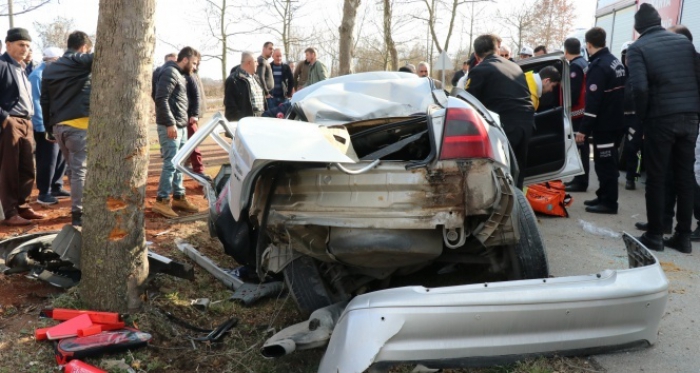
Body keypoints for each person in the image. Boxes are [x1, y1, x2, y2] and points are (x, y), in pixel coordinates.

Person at [628, 4, 700, 253]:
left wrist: (644, 117)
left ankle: (655, 235)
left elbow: (639, 88)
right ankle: (683, 236)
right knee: (684, 176)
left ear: (638, 28)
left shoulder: (638, 48)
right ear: (659, 21)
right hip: (690, 119)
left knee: (656, 177)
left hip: (660, 118)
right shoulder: (684, 43)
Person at [466, 34, 534, 188]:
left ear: (476, 55)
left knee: (502, 173)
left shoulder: (480, 70)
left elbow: (468, 103)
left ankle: (505, 208)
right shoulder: (515, 66)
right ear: (496, 50)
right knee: (519, 173)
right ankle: (518, 206)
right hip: (527, 123)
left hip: (505, 125)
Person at [41, 31, 95, 226]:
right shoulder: (80, 60)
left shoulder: (50, 69)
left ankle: (79, 208)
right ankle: (79, 214)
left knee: (73, 170)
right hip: (79, 126)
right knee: (80, 170)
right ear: (83, 47)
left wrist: (48, 127)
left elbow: (44, 99)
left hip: (58, 127)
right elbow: (99, 57)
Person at [575, 27, 626, 215]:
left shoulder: (598, 66)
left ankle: (609, 203)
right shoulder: (614, 62)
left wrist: (583, 130)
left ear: (588, 45)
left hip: (605, 124)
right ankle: (603, 196)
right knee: (606, 161)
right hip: (615, 121)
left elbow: (593, 102)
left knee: (605, 164)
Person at [0, 28, 45, 226]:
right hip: (10, 123)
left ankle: (23, 207)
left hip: (27, 122)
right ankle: (9, 213)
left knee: (27, 167)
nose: (25, 49)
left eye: (27, 45)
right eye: (21, 44)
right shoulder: (1, 65)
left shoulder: (22, 68)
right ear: (8, 44)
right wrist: (4, 118)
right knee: (9, 168)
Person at [153, 46, 201, 218]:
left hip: (180, 125)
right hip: (170, 126)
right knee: (171, 163)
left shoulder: (180, 74)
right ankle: (162, 200)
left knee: (179, 163)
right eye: (194, 63)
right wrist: (170, 123)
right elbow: (160, 98)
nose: (195, 67)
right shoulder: (169, 72)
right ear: (185, 59)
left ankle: (179, 197)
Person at [29, 47, 68, 207]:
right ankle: (44, 192)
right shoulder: (36, 76)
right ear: (50, 60)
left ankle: (56, 186)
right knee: (48, 159)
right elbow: (36, 103)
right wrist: (43, 127)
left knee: (60, 157)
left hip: (58, 122)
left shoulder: (55, 75)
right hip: (45, 126)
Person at [563, 38, 590, 193]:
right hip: (584, 111)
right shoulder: (584, 63)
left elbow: (573, 92)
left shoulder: (575, 66)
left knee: (580, 148)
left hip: (578, 112)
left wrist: (565, 106)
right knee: (582, 148)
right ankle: (579, 179)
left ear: (566, 51)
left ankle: (581, 181)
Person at [184, 61, 209, 181]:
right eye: (193, 63)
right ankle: (198, 170)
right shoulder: (184, 76)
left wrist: (196, 113)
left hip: (192, 115)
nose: (195, 66)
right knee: (193, 143)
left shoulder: (194, 75)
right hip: (185, 115)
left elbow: (198, 96)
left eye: (197, 63)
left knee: (193, 142)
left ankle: (195, 168)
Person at [224, 52, 266, 121]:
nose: (257, 64)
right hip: (246, 125)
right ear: (249, 63)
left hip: (260, 123)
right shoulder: (233, 80)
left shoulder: (257, 79)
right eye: (255, 61)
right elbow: (231, 110)